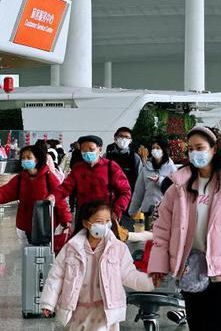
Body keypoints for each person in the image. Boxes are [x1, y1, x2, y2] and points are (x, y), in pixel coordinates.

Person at [148, 126, 221, 330]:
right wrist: (158, 263)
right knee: (197, 323)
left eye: (200, 147)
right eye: (191, 149)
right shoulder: (179, 186)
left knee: (220, 325)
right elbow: (162, 228)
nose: (195, 153)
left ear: (213, 149)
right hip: (190, 267)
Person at [40, 200, 154, 330]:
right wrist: (48, 302)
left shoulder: (118, 248)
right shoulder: (72, 248)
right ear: (86, 223)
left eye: (107, 221)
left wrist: (148, 282)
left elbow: (128, 274)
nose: (105, 226)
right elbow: (57, 276)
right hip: (78, 310)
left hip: (105, 311)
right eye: (99, 222)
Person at [51, 135, 132, 233]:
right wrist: (53, 196)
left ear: (99, 149)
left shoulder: (111, 167)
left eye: (91, 149)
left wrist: (116, 211)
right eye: (83, 151)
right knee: (79, 245)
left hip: (105, 216)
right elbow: (66, 187)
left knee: (107, 246)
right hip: (84, 217)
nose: (87, 153)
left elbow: (125, 191)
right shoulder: (78, 168)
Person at [0, 145, 71, 244]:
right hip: (25, 223)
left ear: (37, 160)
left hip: (44, 223)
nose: (25, 160)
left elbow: (59, 199)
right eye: (23, 158)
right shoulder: (20, 179)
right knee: (28, 252)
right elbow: (5, 192)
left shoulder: (48, 177)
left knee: (43, 253)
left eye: (29, 158)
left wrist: (66, 221)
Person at [128, 139, 177, 230]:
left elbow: (176, 189)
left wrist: (160, 180)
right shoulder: (146, 168)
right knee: (148, 239)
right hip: (148, 211)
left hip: (165, 212)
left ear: (164, 150)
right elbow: (139, 192)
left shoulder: (172, 169)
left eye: (158, 148)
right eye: (153, 148)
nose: (155, 150)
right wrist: (132, 211)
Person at [106, 127, 143, 195]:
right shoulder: (107, 156)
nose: (123, 139)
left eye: (127, 137)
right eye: (121, 136)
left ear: (130, 140)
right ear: (115, 138)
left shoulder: (135, 157)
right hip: (109, 194)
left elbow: (140, 179)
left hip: (128, 194)